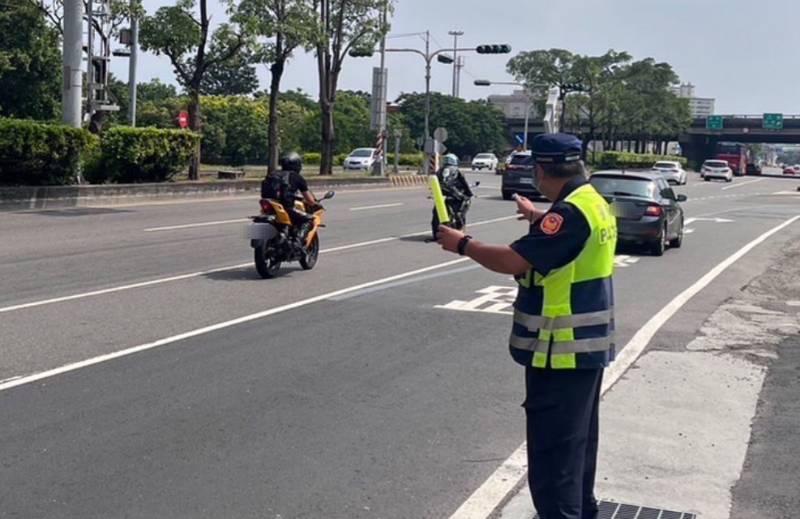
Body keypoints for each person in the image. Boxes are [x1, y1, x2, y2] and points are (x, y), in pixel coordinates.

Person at [436, 133, 617, 519]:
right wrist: (538, 217)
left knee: (554, 461)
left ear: (539, 170)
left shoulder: (567, 214)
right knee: (578, 448)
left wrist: (463, 244)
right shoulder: (590, 202)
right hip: (586, 348)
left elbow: (514, 261)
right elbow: (572, 246)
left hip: (560, 351)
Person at [261, 152, 319, 245]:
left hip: (269, 206)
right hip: (286, 208)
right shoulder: (297, 177)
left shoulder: (272, 174)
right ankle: (297, 241)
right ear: (297, 165)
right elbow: (310, 200)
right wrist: (314, 203)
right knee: (309, 219)